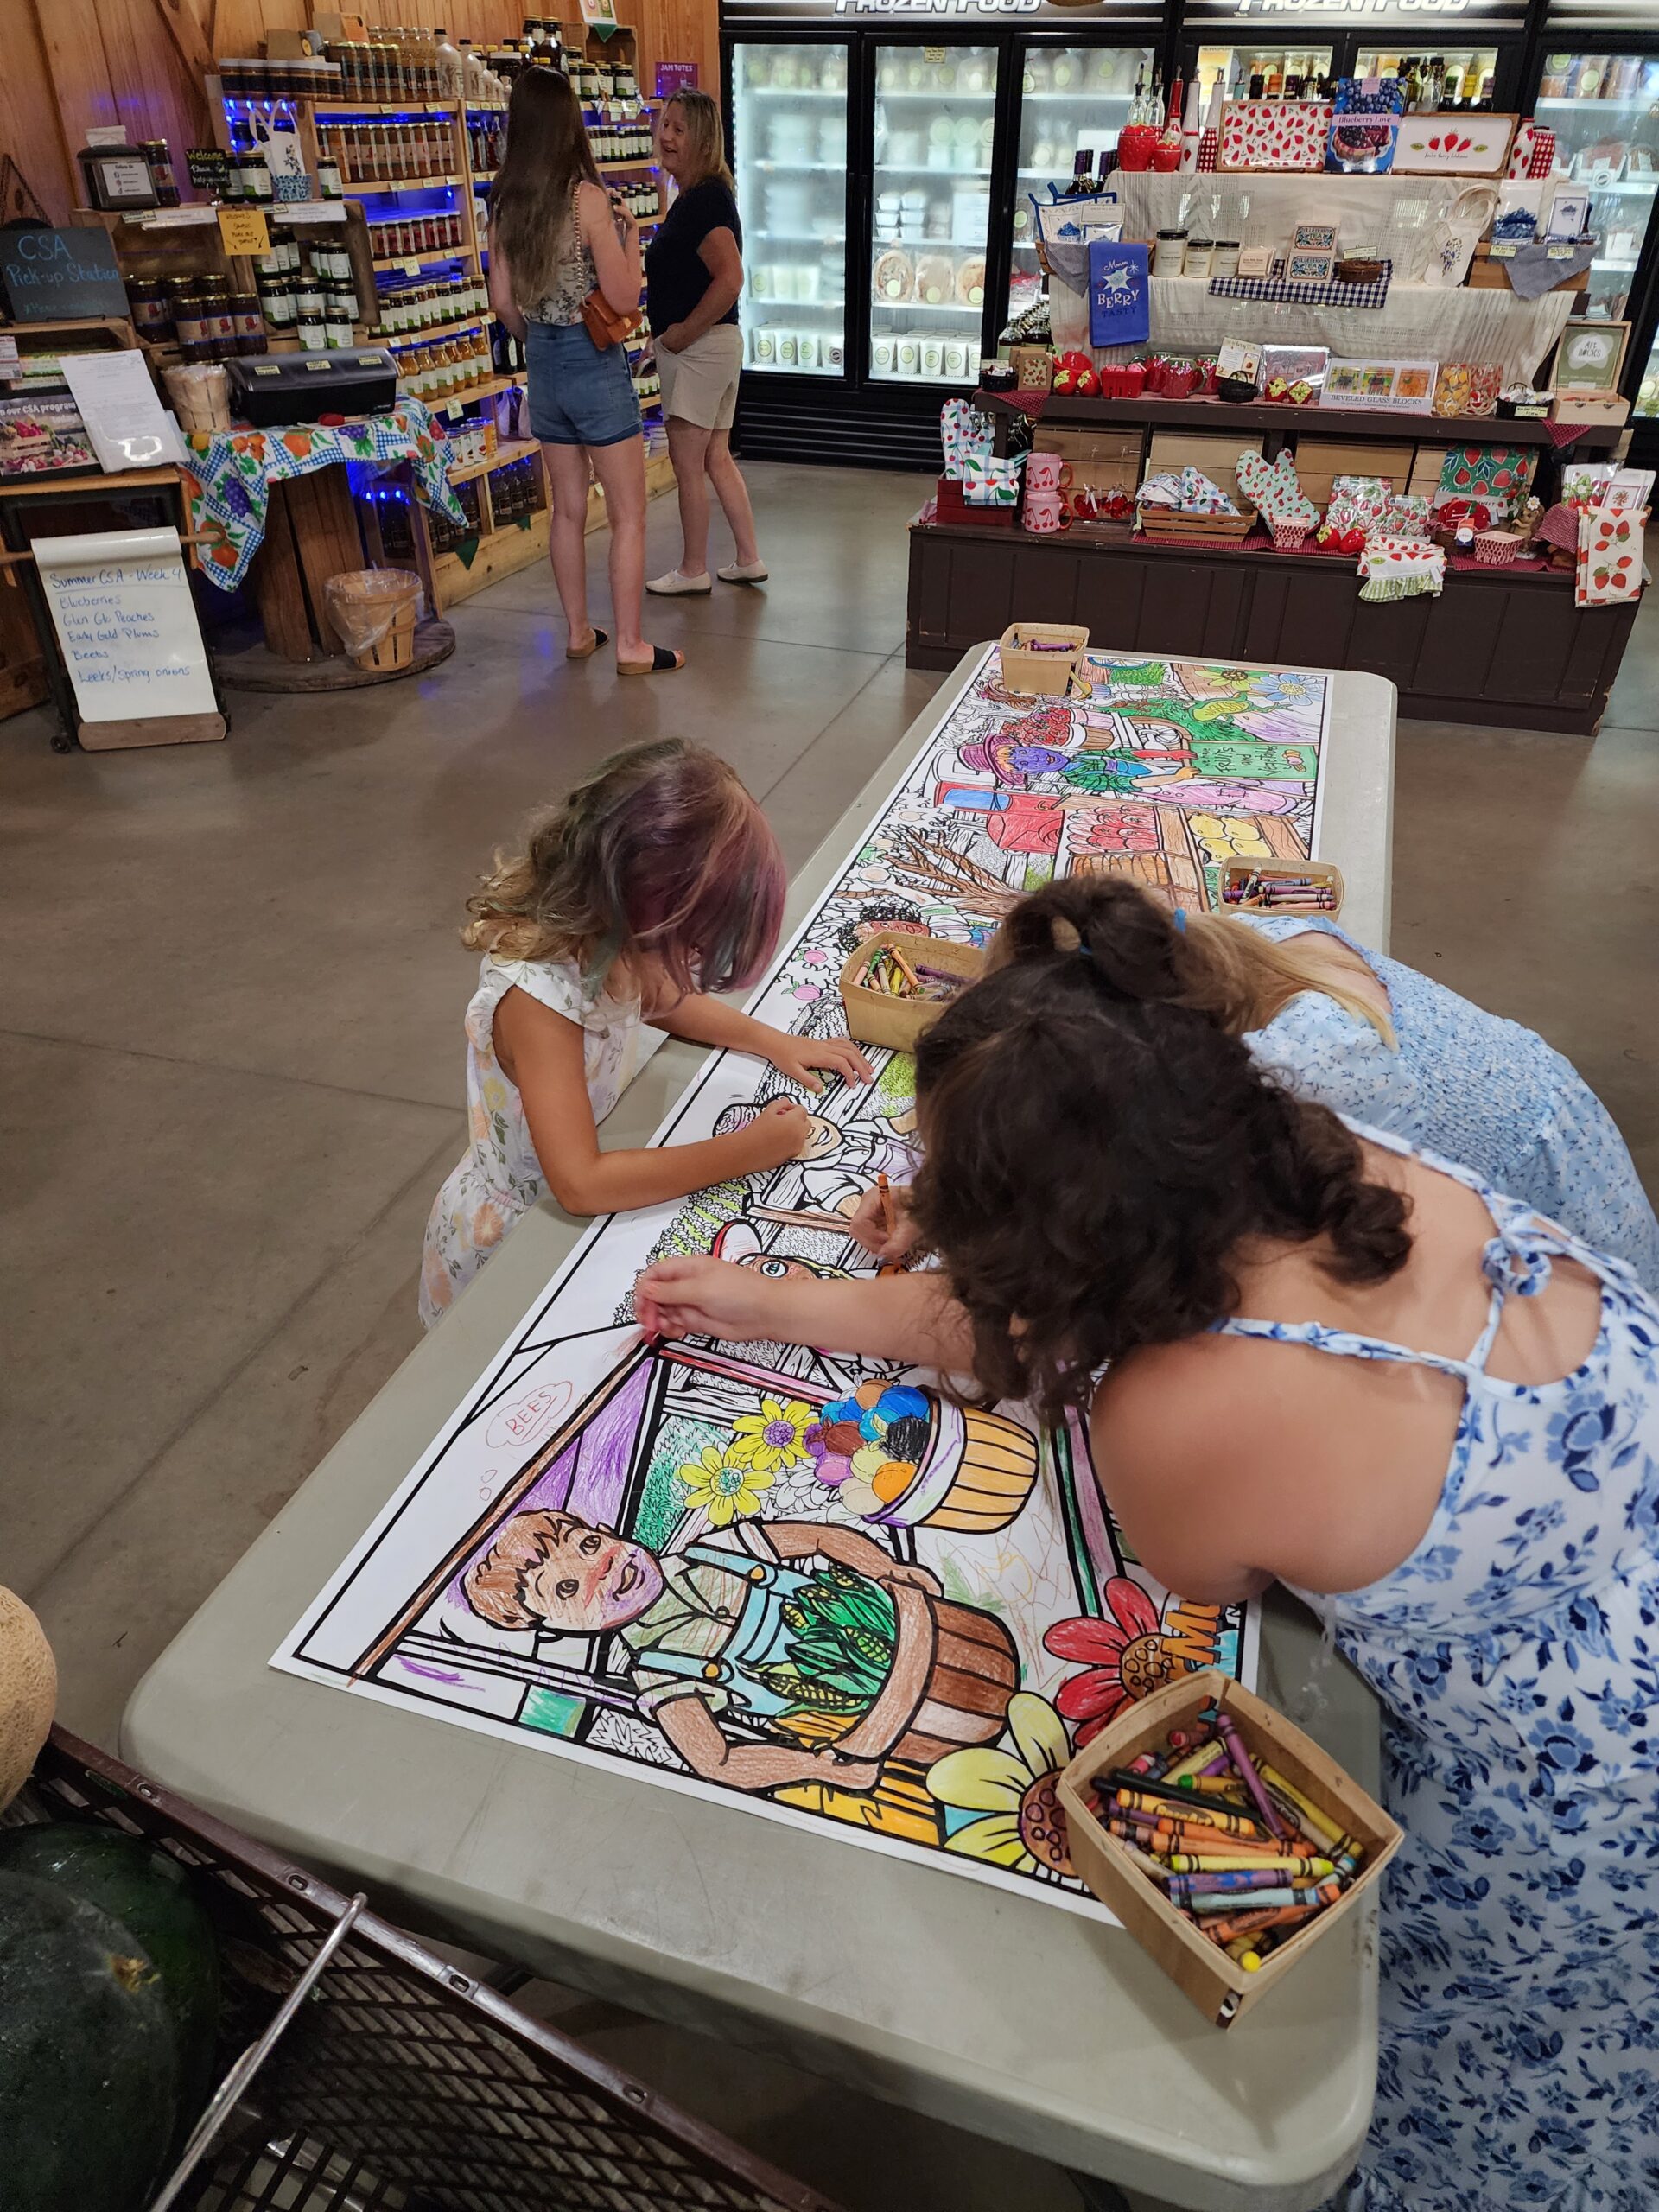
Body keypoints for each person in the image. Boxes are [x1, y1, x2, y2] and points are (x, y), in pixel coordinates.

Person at [638, 882, 1659, 2212]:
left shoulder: (1175, 1418)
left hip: (1586, 1799)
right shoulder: (1325, 1148)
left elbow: (1189, 1547)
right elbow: (1089, 1302)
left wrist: (827, 1298)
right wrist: (813, 1289)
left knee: (1441, 2093)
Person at [833, 880, 1658, 1288]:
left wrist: (980, 1218)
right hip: (1541, 1142)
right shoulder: (1212, 956)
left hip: (1549, 1251)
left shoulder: (1281, 1082)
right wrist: (941, 1199)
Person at [420, 741, 870, 1326]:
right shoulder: (538, 1003)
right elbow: (581, 1184)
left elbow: (660, 1002)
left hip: (580, 1201)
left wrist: (772, 1041)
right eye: (689, 944)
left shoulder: (610, 938)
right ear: (645, 914)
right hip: (521, 1239)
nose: (690, 964)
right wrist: (750, 1150)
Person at [461, 1507, 968, 1795]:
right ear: (557, 1629)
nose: (603, 1569)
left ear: (605, 1532)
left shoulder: (718, 1549)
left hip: (937, 1632)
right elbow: (716, 1762)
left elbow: (817, 1537)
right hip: (893, 1726)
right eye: (569, 1589)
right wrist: (816, 1767)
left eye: (589, 1546)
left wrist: (887, 1570)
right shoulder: (658, 1674)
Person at [486, 67, 683, 674]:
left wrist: (537, 341)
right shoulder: (587, 201)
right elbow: (623, 299)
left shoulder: (504, 203)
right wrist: (633, 234)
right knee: (628, 514)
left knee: (567, 509)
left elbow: (501, 302)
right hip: (593, 366)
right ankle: (630, 645)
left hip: (544, 368)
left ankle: (577, 633)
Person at [641, 90, 766, 596]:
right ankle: (748, 558)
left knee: (687, 462)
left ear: (703, 140)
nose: (667, 137)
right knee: (715, 455)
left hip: (700, 349)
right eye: (664, 125)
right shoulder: (700, 197)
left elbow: (730, 278)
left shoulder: (703, 201)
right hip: (716, 346)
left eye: (680, 129)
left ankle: (693, 568)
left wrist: (680, 335)